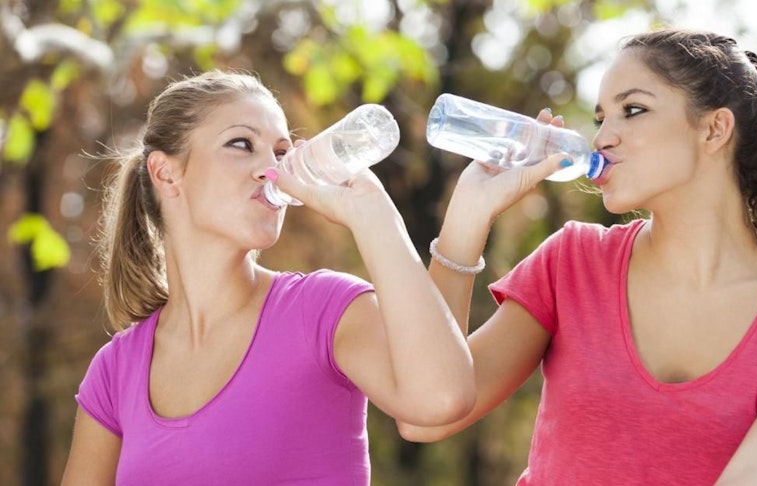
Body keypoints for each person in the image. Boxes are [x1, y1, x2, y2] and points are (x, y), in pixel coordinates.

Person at [399, 27, 757, 485]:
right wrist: (467, 218)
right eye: (601, 117)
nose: (603, 137)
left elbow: (755, 475)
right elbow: (426, 417)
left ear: (714, 129)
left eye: (633, 109)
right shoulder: (574, 262)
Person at [61, 70, 476, 485]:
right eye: (242, 144)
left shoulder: (323, 311)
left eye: (280, 153)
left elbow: (440, 400)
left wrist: (375, 217)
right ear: (167, 173)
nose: (270, 168)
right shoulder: (116, 372)